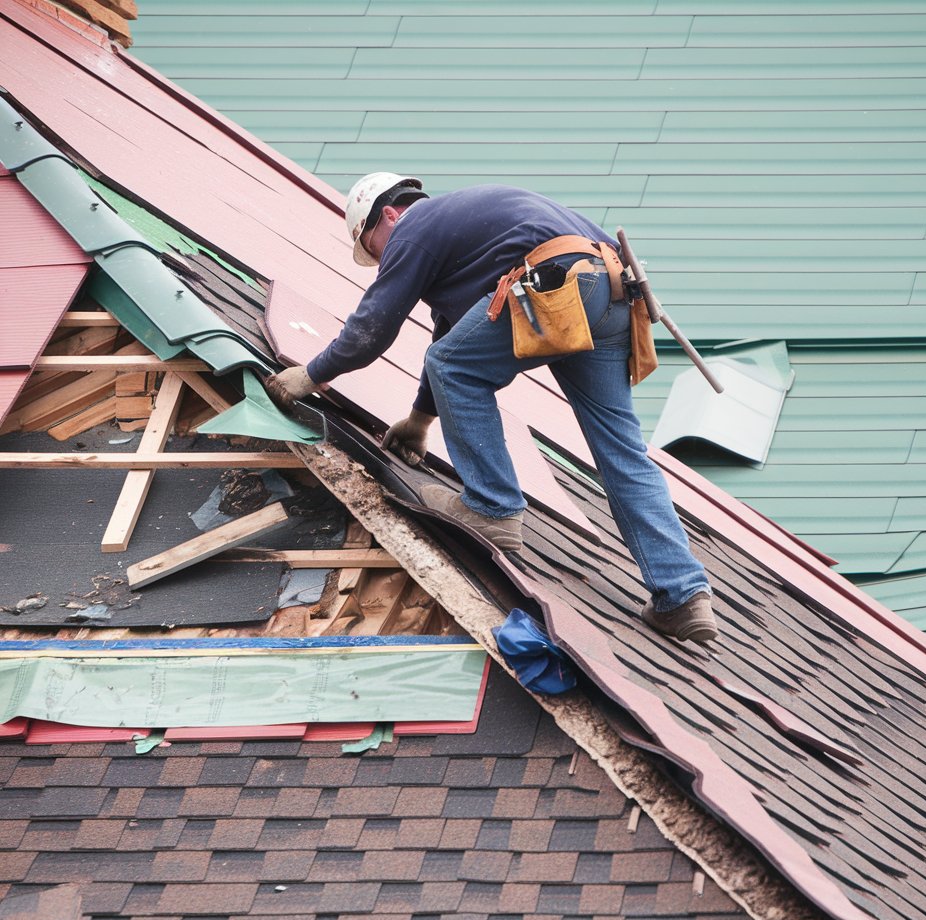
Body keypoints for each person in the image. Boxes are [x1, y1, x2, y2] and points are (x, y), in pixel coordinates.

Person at [266, 173, 718, 644]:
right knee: (622, 450)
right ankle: (682, 595)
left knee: (452, 367)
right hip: (612, 292)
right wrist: (421, 420)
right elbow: (454, 335)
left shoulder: (415, 230)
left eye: (373, 249)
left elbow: (374, 327)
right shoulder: (471, 230)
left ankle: (492, 507)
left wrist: (312, 373)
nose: (381, 261)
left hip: (556, 280)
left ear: (389, 215)